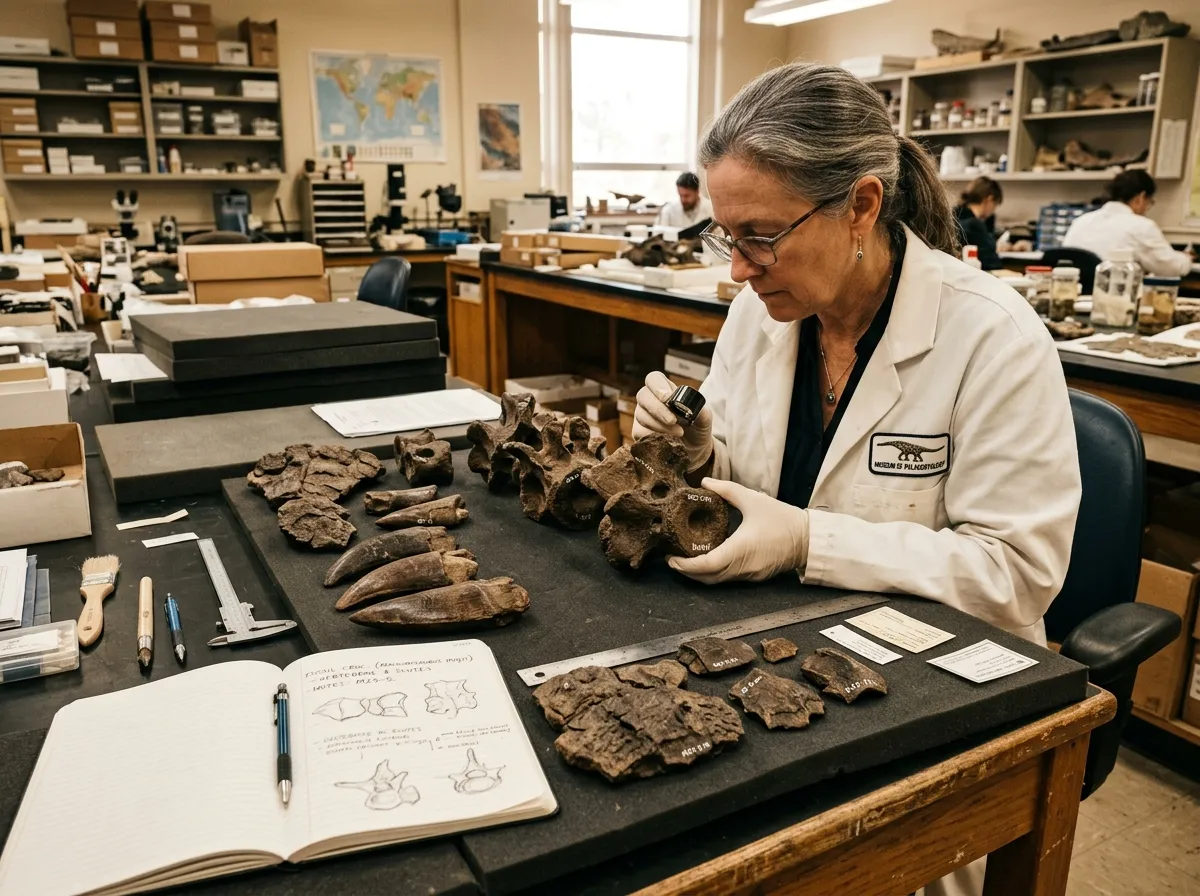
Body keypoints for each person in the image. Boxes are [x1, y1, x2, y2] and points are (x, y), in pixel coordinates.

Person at [633, 62, 1081, 896]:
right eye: (726, 238)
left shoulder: (991, 335)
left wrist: (808, 540)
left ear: (862, 208)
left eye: (760, 236)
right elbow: (746, 477)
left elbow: (1013, 575)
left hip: (932, 683)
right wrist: (696, 453)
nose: (739, 267)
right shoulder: (762, 312)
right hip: (781, 648)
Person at [1062, 169, 1194, 276]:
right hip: (1113, 300)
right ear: (1141, 198)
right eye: (1150, 203)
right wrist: (1186, 258)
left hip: (1074, 298)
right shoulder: (1142, 226)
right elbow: (1172, 268)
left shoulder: (1081, 221)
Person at [954, 177, 1004, 270]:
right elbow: (992, 261)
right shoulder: (973, 224)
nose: (993, 211)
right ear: (989, 199)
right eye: (995, 204)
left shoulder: (953, 215)